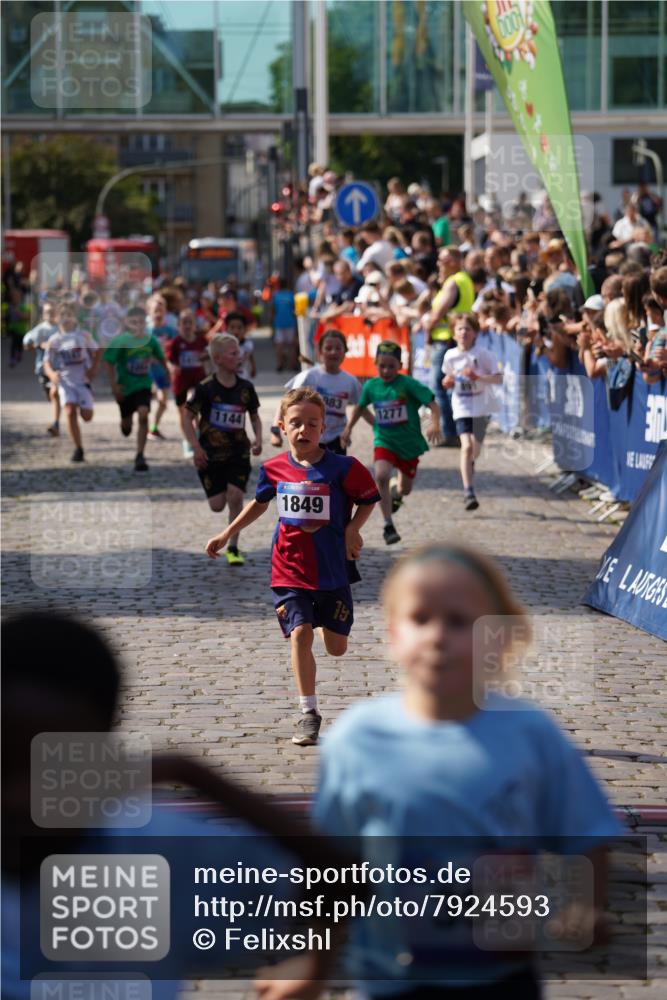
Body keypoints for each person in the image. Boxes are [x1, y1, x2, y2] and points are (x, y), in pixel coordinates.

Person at [313, 543, 621, 998]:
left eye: (459, 622)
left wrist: (587, 906)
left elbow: (588, 831)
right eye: (421, 618)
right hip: (389, 980)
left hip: (499, 980)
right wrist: (312, 964)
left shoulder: (529, 734)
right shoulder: (357, 738)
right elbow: (330, 868)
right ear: (393, 633)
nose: (438, 636)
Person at [205, 387, 380, 746]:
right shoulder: (274, 468)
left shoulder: (344, 468)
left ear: (324, 427)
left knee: (336, 647)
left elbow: (368, 500)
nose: (304, 430)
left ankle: (321, 625)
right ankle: (308, 713)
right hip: (289, 569)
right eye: (296, 423)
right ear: (283, 426)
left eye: (312, 424)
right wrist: (226, 534)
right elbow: (259, 503)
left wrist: (351, 529)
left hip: (331, 569)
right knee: (299, 634)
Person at [341, 341, 441, 546]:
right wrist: (348, 429)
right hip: (384, 440)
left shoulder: (408, 384)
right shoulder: (371, 386)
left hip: (409, 444)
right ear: (375, 364)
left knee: (406, 490)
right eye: (382, 365)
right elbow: (360, 408)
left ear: (400, 365)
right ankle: (388, 525)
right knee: (381, 475)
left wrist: (435, 424)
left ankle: (397, 493)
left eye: (391, 366)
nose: (386, 370)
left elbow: (432, 403)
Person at [185, 333, 262, 566]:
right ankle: (229, 532)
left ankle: (233, 546)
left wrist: (258, 438)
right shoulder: (205, 388)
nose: (238, 357)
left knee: (236, 496)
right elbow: (187, 418)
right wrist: (196, 447)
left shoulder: (246, 388)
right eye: (233, 353)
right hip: (210, 455)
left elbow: (255, 416)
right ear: (217, 359)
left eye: (238, 352)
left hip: (239, 452)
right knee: (217, 505)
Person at [442, 313, 503, 511]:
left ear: (475, 332)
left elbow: (498, 379)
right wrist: (447, 382)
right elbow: (447, 379)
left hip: (481, 406)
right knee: (466, 447)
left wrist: (478, 377)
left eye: (468, 328)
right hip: (461, 404)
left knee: (474, 449)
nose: (463, 332)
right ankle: (469, 492)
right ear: (453, 333)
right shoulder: (450, 355)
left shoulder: (483, 354)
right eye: (460, 328)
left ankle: (470, 464)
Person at [270, 329, 362, 455]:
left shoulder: (351, 381)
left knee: (334, 474)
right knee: (309, 473)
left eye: (338, 348)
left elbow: (361, 407)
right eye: (328, 348)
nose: (333, 352)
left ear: (345, 351)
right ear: (320, 352)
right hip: (309, 437)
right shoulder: (308, 376)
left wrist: (375, 427)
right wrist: (275, 431)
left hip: (337, 439)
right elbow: (285, 402)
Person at [103, 305, 168, 472]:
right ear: (127, 323)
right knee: (127, 427)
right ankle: (125, 422)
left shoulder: (150, 340)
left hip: (143, 385)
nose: (137, 325)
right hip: (125, 388)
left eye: (141, 322)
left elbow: (161, 358)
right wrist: (114, 385)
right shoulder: (121, 341)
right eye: (134, 322)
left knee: (144, 414)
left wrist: (168, 374)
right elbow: (109, 362)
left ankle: (140, 455)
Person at [421, 246, 475, 446]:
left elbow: (439, 312)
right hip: (455, 338)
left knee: (439, 386)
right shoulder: (465, 280)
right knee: (454, 386)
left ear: (453, 261)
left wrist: (428, 326)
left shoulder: (454, 282)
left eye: (442, 261)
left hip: (445, 340)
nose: (438, 264)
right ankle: (458, 430)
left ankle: (450, 432)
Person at [43, 301, 99, 463]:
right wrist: (52, 374)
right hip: (65, 381)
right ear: (56, 318)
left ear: (75, 318)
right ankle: (78, 449)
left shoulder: (84, 336)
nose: (66, 319)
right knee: (69, 411)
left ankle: (85, 406)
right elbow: (47, 362)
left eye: (69, 315)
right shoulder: (54, 340)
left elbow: (97, 352)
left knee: (87, 416)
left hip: (82, 380)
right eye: (62, 316)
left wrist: (93, 369)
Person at [165, 307, 209, 458]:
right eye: (184, 322)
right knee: (183, 413)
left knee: (193, 408)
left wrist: (205, 357)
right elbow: (169, 361)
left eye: (190, 322)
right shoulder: (175, 342)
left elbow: (208, 354)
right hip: (180, 382)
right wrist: (173, 368)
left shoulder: (201, 340)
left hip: (197, 380)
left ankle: (196, 439)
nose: (188, 325)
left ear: (195, 324)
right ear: (179, 325)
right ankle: (187, 441)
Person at [22, 301, 60, 435]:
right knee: (51, 395)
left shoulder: (62, 328)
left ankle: (56, 424)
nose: (50, 314)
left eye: (53, 312)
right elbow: (27, 344)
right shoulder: (40, 329)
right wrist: (38, 344)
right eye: (47, 312)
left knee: (55, 394)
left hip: (58, 369)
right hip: (43, 369)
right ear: (43, 315)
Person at [145, 293, 174, 440]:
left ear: (165, 312)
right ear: (149, 312)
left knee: (163, 402)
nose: (158, 313)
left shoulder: (170, 331)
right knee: (145, 402)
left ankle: (153, 428)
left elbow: (176, 349)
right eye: (155, 310)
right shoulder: (145, 331)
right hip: (146, 372)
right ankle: (148, 426)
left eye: (161, 310)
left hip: (162, 371)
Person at [271, 277, 298, 372]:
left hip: (278, 322)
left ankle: (280, 365)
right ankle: (293, 365)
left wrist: (272, 323)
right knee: (291, 345)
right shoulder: (291, 295)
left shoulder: (275, 295)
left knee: (279, 345)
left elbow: (273, 310)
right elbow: (295, 309)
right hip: (290, 322)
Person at [224, 310, 257, 381]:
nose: (236, 331)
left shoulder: (248, 344)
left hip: (243, 378)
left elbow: (250, 354)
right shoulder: (222, 344)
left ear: (245, 329)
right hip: (226, 379)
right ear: (226, 329)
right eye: (232, 328)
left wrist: (254, 367)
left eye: (239, 328)